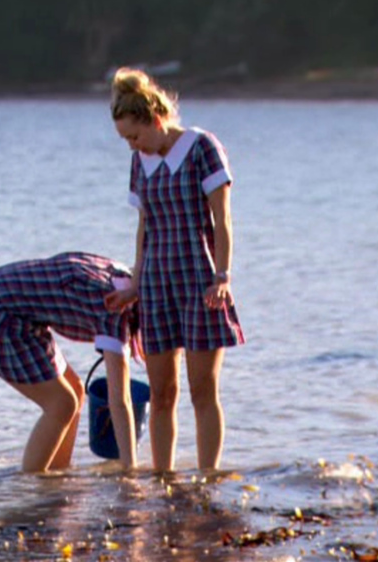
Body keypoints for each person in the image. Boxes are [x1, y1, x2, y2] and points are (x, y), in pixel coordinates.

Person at [103, 67, 245, 473]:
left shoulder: (202, 148)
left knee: (203, 391)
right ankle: (163, 477)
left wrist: (223, 277)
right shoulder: (140, 162)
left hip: (200, 281)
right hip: (156, 285)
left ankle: (208, 478)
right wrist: (135, 283)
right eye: (125, 140)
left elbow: (222, 220)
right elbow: (144, 227)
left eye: (134, 136)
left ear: (155, 119)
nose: (132, 146)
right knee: (162, 393)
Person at [0, 251, 143, 473]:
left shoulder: (118, 274)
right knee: (61, 403)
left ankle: (58, 474)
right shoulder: (116, 308)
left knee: (75, 391)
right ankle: (32, 484)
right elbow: (120, 400)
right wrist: (130, 471)